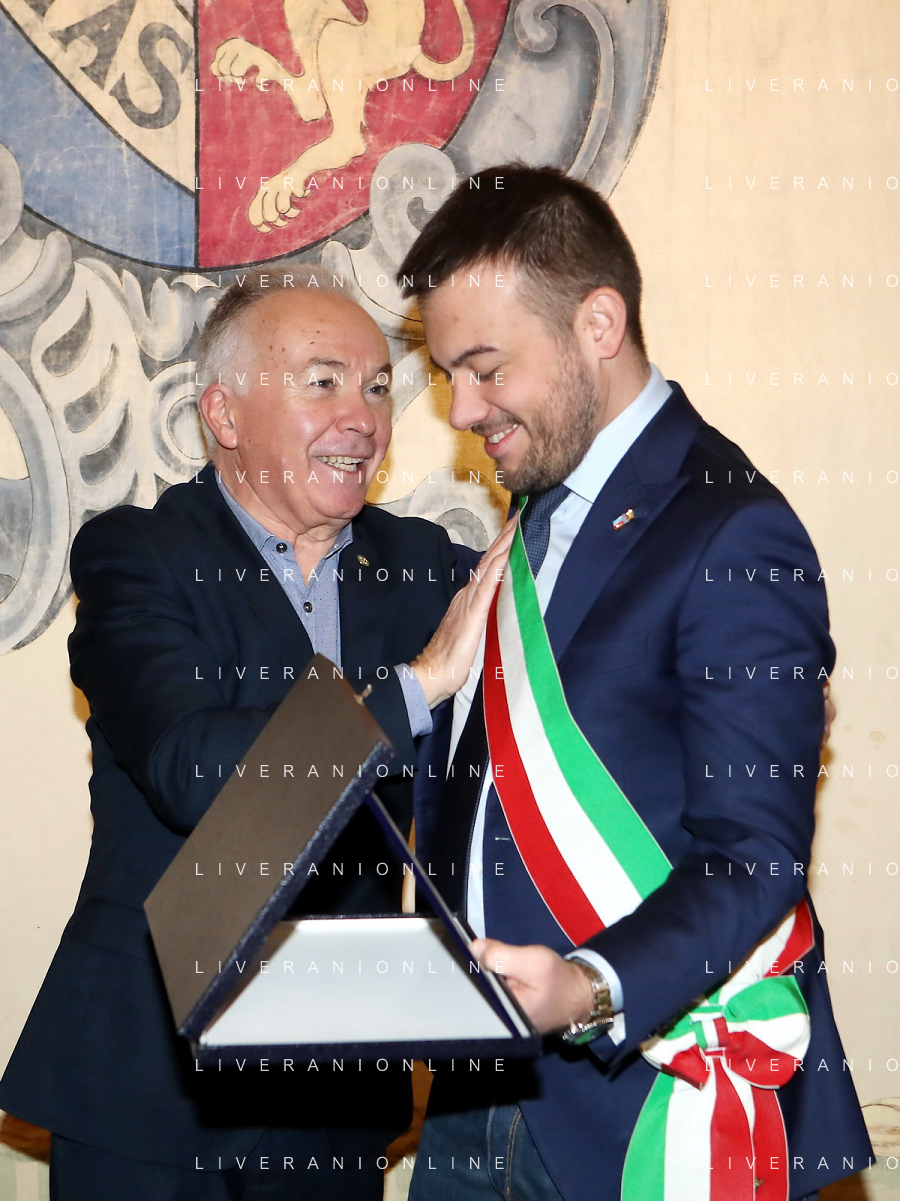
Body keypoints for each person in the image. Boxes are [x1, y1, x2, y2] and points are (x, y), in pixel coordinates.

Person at [399, 165, 873, 1201]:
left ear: (598, 324)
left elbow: (753, 855)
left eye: (485, 368)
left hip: (651, 1098)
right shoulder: (536, 505)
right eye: (447, 374)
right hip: (480, 1087)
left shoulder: (735, 530)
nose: (464, 408)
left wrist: (587, 984)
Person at [0, 271, 509, 1200]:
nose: (362, 418)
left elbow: (580, 619)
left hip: (333, 1087)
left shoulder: (424, 568)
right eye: (322, 382)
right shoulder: (137, 555)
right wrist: (417, 686)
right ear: (224, 415)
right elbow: (190, 766)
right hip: (148, 1087)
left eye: (377, 387)